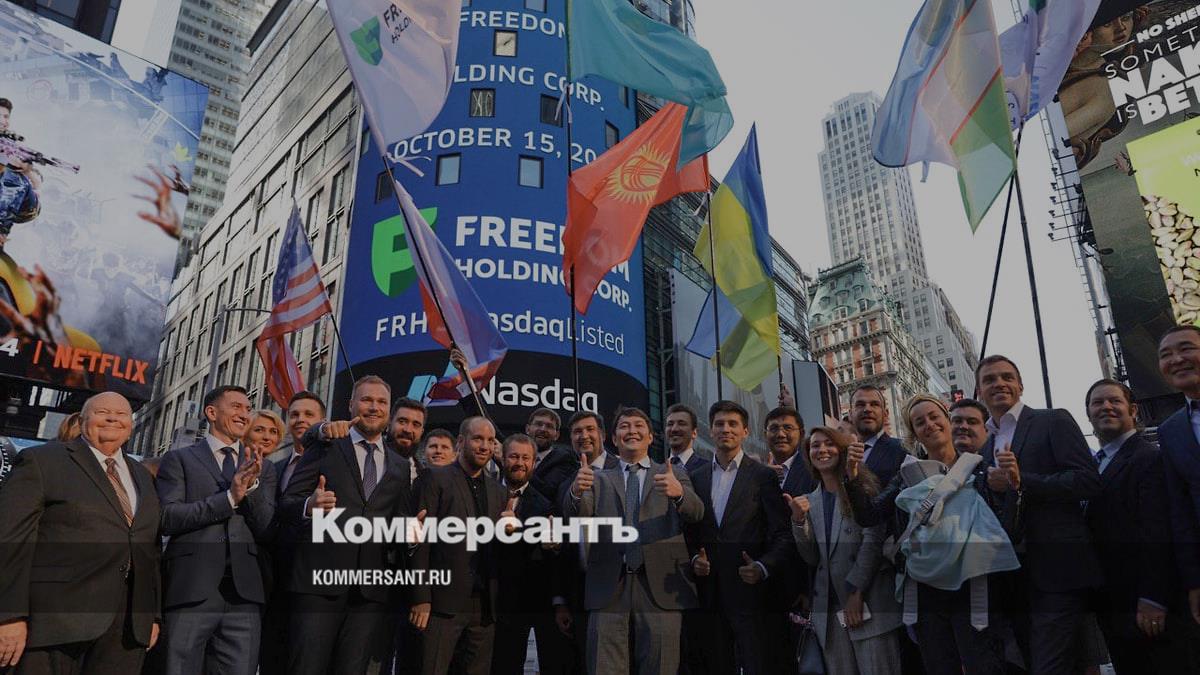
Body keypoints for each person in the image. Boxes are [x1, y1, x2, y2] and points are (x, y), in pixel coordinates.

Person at [844, 395, 1016, 675]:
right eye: (920, 422)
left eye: (934, 417)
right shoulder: (906, 476)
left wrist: (1010, 487)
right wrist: (852, 476)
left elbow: (1007, 525)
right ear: (914, 434)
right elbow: (869, 516)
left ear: (948, 420)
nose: (929, 424)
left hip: (975, 588)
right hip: (926, 592)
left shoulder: (982, 468)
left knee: (984, 665)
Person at [0, 391, 161, 673]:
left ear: (131, 425)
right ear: (83, 419)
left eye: (121, 414)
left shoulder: (143, 476)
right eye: (102, 412)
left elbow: (150, 549)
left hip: (126, 629)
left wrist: (152, 615)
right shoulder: (42, 461)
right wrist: (9, 615)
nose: (112, 418)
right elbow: (11, 539)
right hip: (54, 622)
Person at [976, 355, 1102, 675]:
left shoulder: (1052, 420)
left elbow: (1087, 481)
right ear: (979, 391)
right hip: (1013, 578)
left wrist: (1022, 482)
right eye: (989, 379)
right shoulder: (985, 447)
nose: (999, 383)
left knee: (1049, 666)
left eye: (1007, 377)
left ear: (1020, 385)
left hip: (1058, 571)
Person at [280, 375, 414, 675]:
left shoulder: (400, 465)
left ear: (389, 410)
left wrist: (411, 535)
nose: (374, 407)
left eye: (381, 402)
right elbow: (287, 503)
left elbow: (398, 523)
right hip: (317, 585)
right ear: (351, 404)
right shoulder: (326, 446)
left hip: (369, 594)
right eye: (366, 400)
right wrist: (309, 506)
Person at [563, 406, 703, 674]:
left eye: (639, 426)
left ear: (650, 437)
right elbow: (578, 514)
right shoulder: (597, 478)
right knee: (604, 666)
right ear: (614, 439)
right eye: (624, 426)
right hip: (608, 585)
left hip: (661, 586)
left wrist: (679, 494)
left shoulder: (672, 472)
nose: (632, 431)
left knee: (661, 665)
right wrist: (576, 491)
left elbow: (696, 512)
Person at [155, 385, 276, 674]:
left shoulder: (263, 467)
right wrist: (229, 499)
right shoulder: (179, 459)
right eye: (236, 407)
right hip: (191, 588)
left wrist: (252, 487)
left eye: (248, 409)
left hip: (244, 595)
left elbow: (266, 527)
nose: (244, 414)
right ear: (211, 412)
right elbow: (168, 517)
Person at [1084, 378, 1187, 673]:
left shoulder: (1149, 458)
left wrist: (1153, 597)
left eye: (1114, 401)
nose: (1106, 407)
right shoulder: (1093, 466)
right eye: (1097, 402)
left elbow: (1159, 531)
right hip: (1113, 604)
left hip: (1147, 607)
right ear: (1088, 414)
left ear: (1133, 410)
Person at [686, 400, 793, 675]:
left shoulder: (763, 476)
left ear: (745, 431)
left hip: (751, 595)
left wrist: (763, 566)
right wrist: (694, 559)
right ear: (710, 430)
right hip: (709, 596)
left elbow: (782, 533)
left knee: (758, 665)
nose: (726, 429)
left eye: (733, 424)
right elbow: (689, 532)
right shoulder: (695, 477)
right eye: (720, 424)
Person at [789, 426, 902, 675]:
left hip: (868, 604)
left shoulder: (862, 487)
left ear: (842, 450)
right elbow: (812, 558)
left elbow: (872, 541)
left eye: (829, 443)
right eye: (815, 445)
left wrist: (856, 590)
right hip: (829, 614)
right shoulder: (809, 500)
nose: (822, 450)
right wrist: (798, 521)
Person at [410, 416, 504, 675]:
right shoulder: (434, 479)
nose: (484, 446)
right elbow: (420, 542)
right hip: (441, 604)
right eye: (478, 439)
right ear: (461, 442)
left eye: (490, 441)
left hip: (484, 608)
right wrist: (421, 598)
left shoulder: (498, 490)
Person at [260, 391, 323, 675]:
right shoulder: (274, 469)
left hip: (314, 587)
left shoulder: (336, 464)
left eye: (309, 414)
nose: (300, 420)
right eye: (294, 414)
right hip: (274, 585)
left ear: (322, 421)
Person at [554, 410, 619, 672]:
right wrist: (560, 600)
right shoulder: (565, 485)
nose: (584, 436)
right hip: (580, 592)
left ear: (603, 434)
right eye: (577, 432)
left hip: (621, 590)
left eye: (590, 429)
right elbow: (563, 548)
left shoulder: (625, 471)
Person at [491, 434, 559, 675]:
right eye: (513, 456)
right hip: (491, 601)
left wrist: (552, 545)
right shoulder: (486, 493)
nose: (519, 463)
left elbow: (549, 553)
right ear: (502, 458)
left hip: (534, 600)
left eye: (525, 458)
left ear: (533, 463)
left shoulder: (546, 504)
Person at [1155, 325, 1200, 663]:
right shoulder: (1170, 431)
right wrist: (1194, 582)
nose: (1176, 359)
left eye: (1186, 348)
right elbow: (1180, 512)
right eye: (1166, 355)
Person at [763, 404, 813, 675]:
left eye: (787, 428)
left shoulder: (813, 468)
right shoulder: (760, 472)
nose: (780, 434)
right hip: (766, 586)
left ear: (801, 433)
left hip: (804, 588)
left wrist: (808, 587)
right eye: (774, 428)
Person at [0, 98, 41, 251]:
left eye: (6, 116)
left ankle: (1, 233)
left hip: (25, 206)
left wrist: (26, 169)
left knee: (11, 174)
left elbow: (37, 182)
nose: (3, 121)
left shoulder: (13, 145)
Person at [848, 385, 908, 487]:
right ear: (850, 414)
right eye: (860, 405)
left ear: (885, 414)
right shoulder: (841, 456)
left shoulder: (902, 450)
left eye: (874, 404)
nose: (867, 409)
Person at [527, 408, 577, 504]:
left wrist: (519, 468)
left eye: (549, 426)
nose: (543, 429)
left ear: (557, 435)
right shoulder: (513, 454)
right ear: (528, 429)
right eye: (538, 424)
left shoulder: (564, 459)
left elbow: (548, 492)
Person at [665, 403, 709, 472]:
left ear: (694, 433)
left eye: (681, 424)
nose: (674, 429)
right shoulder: (656, 471)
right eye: (670, 424)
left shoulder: (707, 469)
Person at [388, 397, 427, 475]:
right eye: (402, 421)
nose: (408, 430)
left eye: (416, 425)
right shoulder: (369, 460)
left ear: (422, 432)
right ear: (389, 423)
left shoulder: (423, 475)